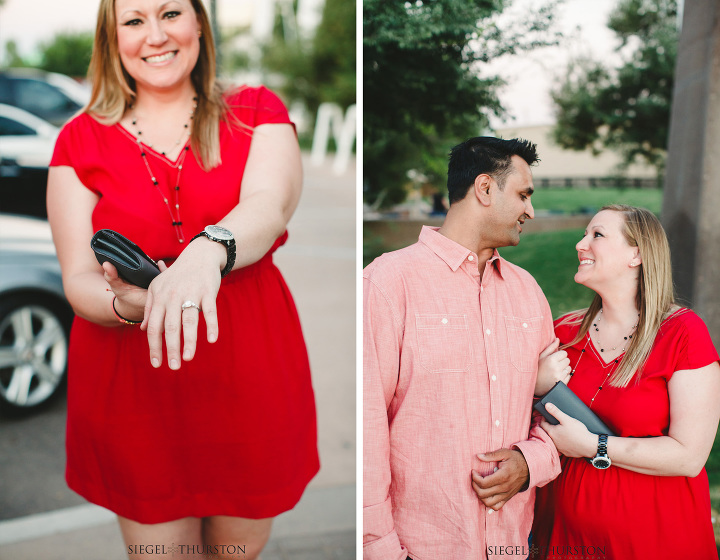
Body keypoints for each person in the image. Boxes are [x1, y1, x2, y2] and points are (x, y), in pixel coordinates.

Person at [46, 1, 319, 558]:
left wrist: (205, 253)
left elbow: (270, 203)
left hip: (247, 371)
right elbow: (77, 277)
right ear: (111, 36)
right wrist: (128, 303)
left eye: (171, 12)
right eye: (134, 20)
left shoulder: (256, 109)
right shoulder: (77, 140)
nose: (156, 35)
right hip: (134, 386)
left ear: (198, 22)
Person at [363, 136, 561, 560]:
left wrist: (531, 462)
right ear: (485, 189)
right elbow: (367, 429)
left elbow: (555, 408)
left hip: (512, 546)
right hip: (419, 548)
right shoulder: (388, 283)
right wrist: (379, 550)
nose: (531, 211)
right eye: (524, 195)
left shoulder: (529, 293)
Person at [532, 205, 720, 559]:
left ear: (637, 254)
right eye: (584, 234)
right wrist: (539, 387)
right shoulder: (564, 333)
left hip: (656, 540)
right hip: (565, 538)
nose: (580, 244)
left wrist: (593, 445)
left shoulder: (682, 333)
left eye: (597, 235)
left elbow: (689, 456)